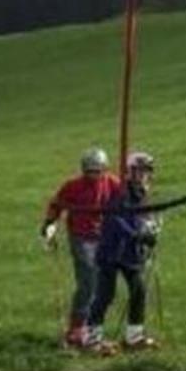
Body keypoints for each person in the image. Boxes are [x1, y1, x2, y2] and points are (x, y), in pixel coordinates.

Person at [85, 150, 186, 355]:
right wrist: (136, 235)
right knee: (105, 295)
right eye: (139, 171)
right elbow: (116, 219)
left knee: (139, 291)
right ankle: (92, 340)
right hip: (112, 250)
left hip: (130, 253)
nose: (143, 175)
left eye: (147, 171)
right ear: (130, 171)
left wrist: (148, 232)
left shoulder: (142, 192)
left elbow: (143, 217)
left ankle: (134, 337)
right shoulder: (120, 191)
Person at [42, 147, 120, 349]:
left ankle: (94, 329)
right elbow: (56, 205)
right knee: (88, 279)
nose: (93, 176)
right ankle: (77, 328)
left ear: (104, 169)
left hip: (104, 237)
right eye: (89, 171)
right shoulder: (73, 186)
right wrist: (50, 223)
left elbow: (125, 201)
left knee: (103, 284)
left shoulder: (112, 182)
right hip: (81, 237)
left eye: (97, 171)